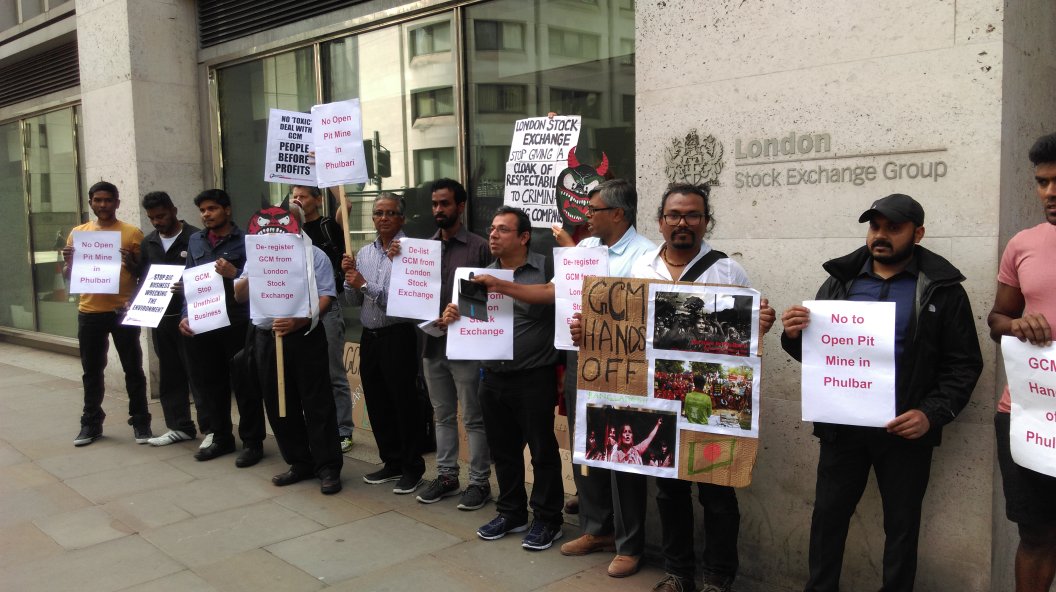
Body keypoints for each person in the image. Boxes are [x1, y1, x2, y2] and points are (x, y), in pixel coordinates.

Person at [780, 192, 983, 592]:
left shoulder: (942, 290)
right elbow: (820, 357)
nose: (881, 235)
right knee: (827, 521)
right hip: (843, 430)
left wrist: (931, 413)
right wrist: (793, 334)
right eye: (875, 226)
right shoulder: (840, 282)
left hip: (905, 432)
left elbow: (964, 364)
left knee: (902, 529)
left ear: (918, 233)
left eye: (894, 227)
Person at [472, 179, 655, 574]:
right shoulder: (585, 249)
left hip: (622, 367)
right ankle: (596, 527)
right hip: (579, 360)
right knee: (585, 446)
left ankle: (629, 543)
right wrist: (502, 285)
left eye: (594, 210)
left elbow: (634, 312)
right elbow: (552, 294)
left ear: (618, 214)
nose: (587, 216)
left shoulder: (646, 256)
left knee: (625, 452)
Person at [621, 182, 775, 592]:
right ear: (661, 221)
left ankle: (718, 580)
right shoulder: (640, 269)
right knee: (669, 493)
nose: (683, 223)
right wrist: (589, 330)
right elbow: (623, 329)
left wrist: (759, 326)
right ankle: (678, 574)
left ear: (706, 222)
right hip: (658, 400)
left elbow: (744, 339)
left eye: (693, 215)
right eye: (675, 215)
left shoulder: (728, 270)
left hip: (711, 404)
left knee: (718, 494)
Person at [444, 206, 564, 551]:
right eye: (492, 228)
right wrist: (453, 315)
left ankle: (547, 519)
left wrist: (502, 286)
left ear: (524, 237)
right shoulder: (480, 276)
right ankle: (511, 512)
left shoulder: (545, 268)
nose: (493, 235)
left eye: (503, 230)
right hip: (493, 377)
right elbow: (473, 325)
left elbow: (554, 299)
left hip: (533, 376)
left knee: (542, 452)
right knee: (504, 451)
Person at [987, 132, 1056, 592]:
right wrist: (1017, 326)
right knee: (1035, 536)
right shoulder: (1024, 244)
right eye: (1042, 182)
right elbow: (997, 318)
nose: (1049, 193)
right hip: (1028, 415)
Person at [234, 216, 343, 495]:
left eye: (281, 227)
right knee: (278, 401)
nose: (275, 232)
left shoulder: (314, 255)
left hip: (305, 336)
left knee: (317, 401)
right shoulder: (255, 255)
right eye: (268, 228)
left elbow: (327, 297)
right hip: (267, 338)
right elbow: (240, 295)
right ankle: (299, 461)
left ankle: (328, 466)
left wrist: (302, 320)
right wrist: (251, 272)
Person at [414, 179, 494, 510]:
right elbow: (412, 294)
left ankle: (479, 482)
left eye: (444, 204)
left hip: (467, 348)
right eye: (434, 204)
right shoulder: (423, 249)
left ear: (460, 206)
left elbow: (494, 301)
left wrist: (462, 310)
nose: (438, 210)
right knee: (442, 414)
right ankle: (447, 476)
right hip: (432, 346)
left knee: (473, 417)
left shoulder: (478, 247)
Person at [342, 193, 425, 495]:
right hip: (370, 337)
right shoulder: (363, 252)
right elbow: (352, 300)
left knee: (403, 402)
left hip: (398, 336)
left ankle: (412, 467)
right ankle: (390, 461)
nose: (384, 218)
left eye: (391, 213)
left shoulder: (411, 253)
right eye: (378, 213)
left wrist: (363, 283)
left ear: (401, 218)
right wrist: (349, 277)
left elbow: (403, 302)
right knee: (376, 401)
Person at [179, 189, 267, 467]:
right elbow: (190, 282)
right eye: (203, 210)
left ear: (227, 210)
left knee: (245, 383)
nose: (206, 214)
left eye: (212, 209)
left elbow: (257, 282)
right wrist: (185, 314)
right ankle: (221, 437)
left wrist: (233, 275)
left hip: (237, 322)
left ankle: (253, 442)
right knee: (210, 383)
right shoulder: (195, 240)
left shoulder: (247, 242)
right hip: (204, 322)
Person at [62, 181, 152, 446]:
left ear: (117, 202)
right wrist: (68, 264)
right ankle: (91, 423)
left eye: (108, 200)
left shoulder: (132, 233)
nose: (103, 205)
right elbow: (68, 278)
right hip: (89, 311)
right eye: (98, 200)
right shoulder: (78, 234)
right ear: (90, 202)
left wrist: (131, 265)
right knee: (92, 371)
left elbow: (143, 275)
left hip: (122, 310)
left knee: (133, 369)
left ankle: (140, 421)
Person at [137, 191, 208, 445]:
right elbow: (143, 280)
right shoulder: (149, 244)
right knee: (170, 374)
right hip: (161, 320)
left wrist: (188, 286)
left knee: (198, 374)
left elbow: (208, 276)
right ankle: (179, 426)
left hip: (191, 319)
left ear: (174, 210)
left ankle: (211, 429)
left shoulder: (196, 238)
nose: (157, 222)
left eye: (161, 215)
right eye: (152, 218)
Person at [289, 185, 354, 454]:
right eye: (294, 196)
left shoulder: (328, 225)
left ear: (317, 200)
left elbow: (346, 209)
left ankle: (343, 430)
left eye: (303, 196)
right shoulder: (288, 237)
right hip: (297, 311)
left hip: (327, 308)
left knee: (333, 372)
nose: (298, 200)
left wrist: (331, 177)